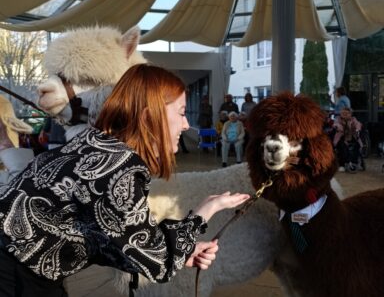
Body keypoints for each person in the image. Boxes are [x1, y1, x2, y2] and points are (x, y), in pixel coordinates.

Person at [0, 64, 250, 296]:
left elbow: (115, 237)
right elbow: (159, 261)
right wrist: (206, 211)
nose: (185, 125)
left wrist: (182, 251)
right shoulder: (120, 167)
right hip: (16, 276)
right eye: (181, 113)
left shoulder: (94, 143)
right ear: (148, 116)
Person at [333, 107, 363, 172]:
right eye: (343, 113)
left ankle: (354, 162)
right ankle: (342, 164)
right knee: (342, 147)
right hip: (341, 137)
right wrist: (338, 127)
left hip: (352, 137)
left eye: (347, 113)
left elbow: (358, 124)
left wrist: (357, 129)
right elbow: (336, 124)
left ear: (350, 114)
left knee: (357, 145)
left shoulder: (353, 119)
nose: (345, 114)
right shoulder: (338, 119)